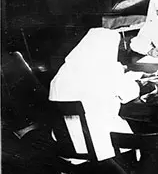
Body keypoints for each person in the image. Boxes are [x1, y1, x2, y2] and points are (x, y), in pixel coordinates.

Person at [49, 28, 140, 161]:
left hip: (67, 146)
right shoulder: (107, 71)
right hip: (103, 147)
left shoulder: (61, 73)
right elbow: (129, 93)